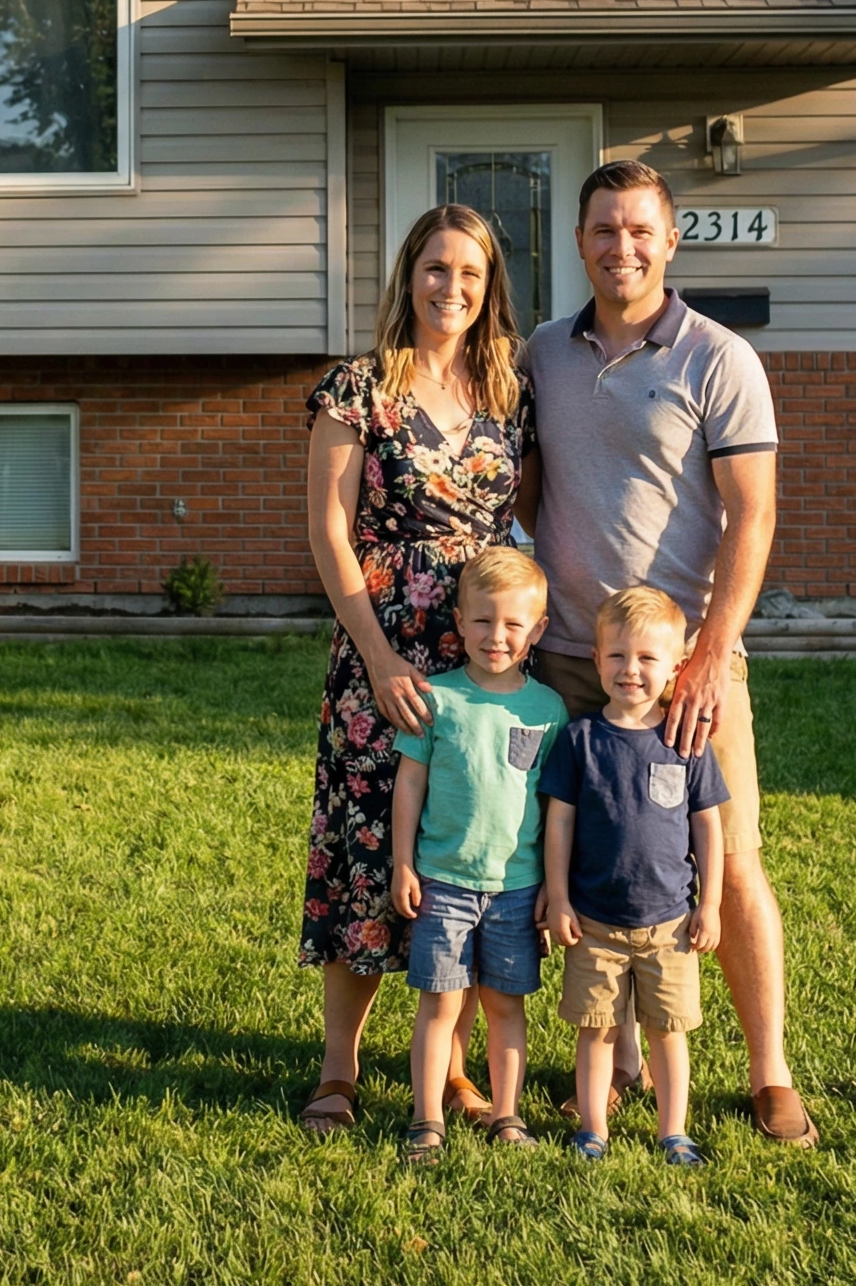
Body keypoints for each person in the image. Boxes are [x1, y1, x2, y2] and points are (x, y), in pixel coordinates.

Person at [523, 158, 818, 1147]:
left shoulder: (716, 356)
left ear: (669, 237)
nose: (621, 246)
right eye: (603, 228)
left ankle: (769, 1068)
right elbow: (527, 486)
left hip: (687, 665)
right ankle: (607, 1058)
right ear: (578, 241)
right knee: (578, 857)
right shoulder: (541, 353)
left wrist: (706, 654)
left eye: (639, 229)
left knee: (725, 863)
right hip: (563, 660)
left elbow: (754, 515)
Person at [297, 204, 535, 1138]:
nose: (452, 288)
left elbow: (530, 520)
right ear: (409, 276)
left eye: (470, 273)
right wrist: (380, 654)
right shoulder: (357, 389)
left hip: (484, 654)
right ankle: (340, 1067)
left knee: (473, 847)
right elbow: (327, 530)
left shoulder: (508, 393)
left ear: (489, 288)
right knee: (367, 852)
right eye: (436, 268)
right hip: (383, 654)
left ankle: (458, 1065)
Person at [390, 546, 566, 1164]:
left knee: (504, 1005)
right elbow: (409, 785)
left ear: (537, 630)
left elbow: (553, 804)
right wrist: (403, 863)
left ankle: (507, 1111)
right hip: (443, 881)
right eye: (484, 621)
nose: (498, 636)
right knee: (439, 1003)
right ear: (460, 622)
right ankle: (427, 1116)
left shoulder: (547, 709)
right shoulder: (435, 699)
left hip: (518, 887)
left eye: (514, 624)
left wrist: (551, 882)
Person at [540, 586, 727, 1166]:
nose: (631, 670)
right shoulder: (580, 741)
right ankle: (592, 1129)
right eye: (617, 656)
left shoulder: (686, 741)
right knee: (595, 1029)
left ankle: (674, 1132)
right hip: (593, 922)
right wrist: (560, 899)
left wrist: (711, 904)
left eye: (647, 659)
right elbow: (560, 827)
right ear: (596, 660)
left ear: (675, 666)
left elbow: (708, 831)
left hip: (670, 923)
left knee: (669, 1032)